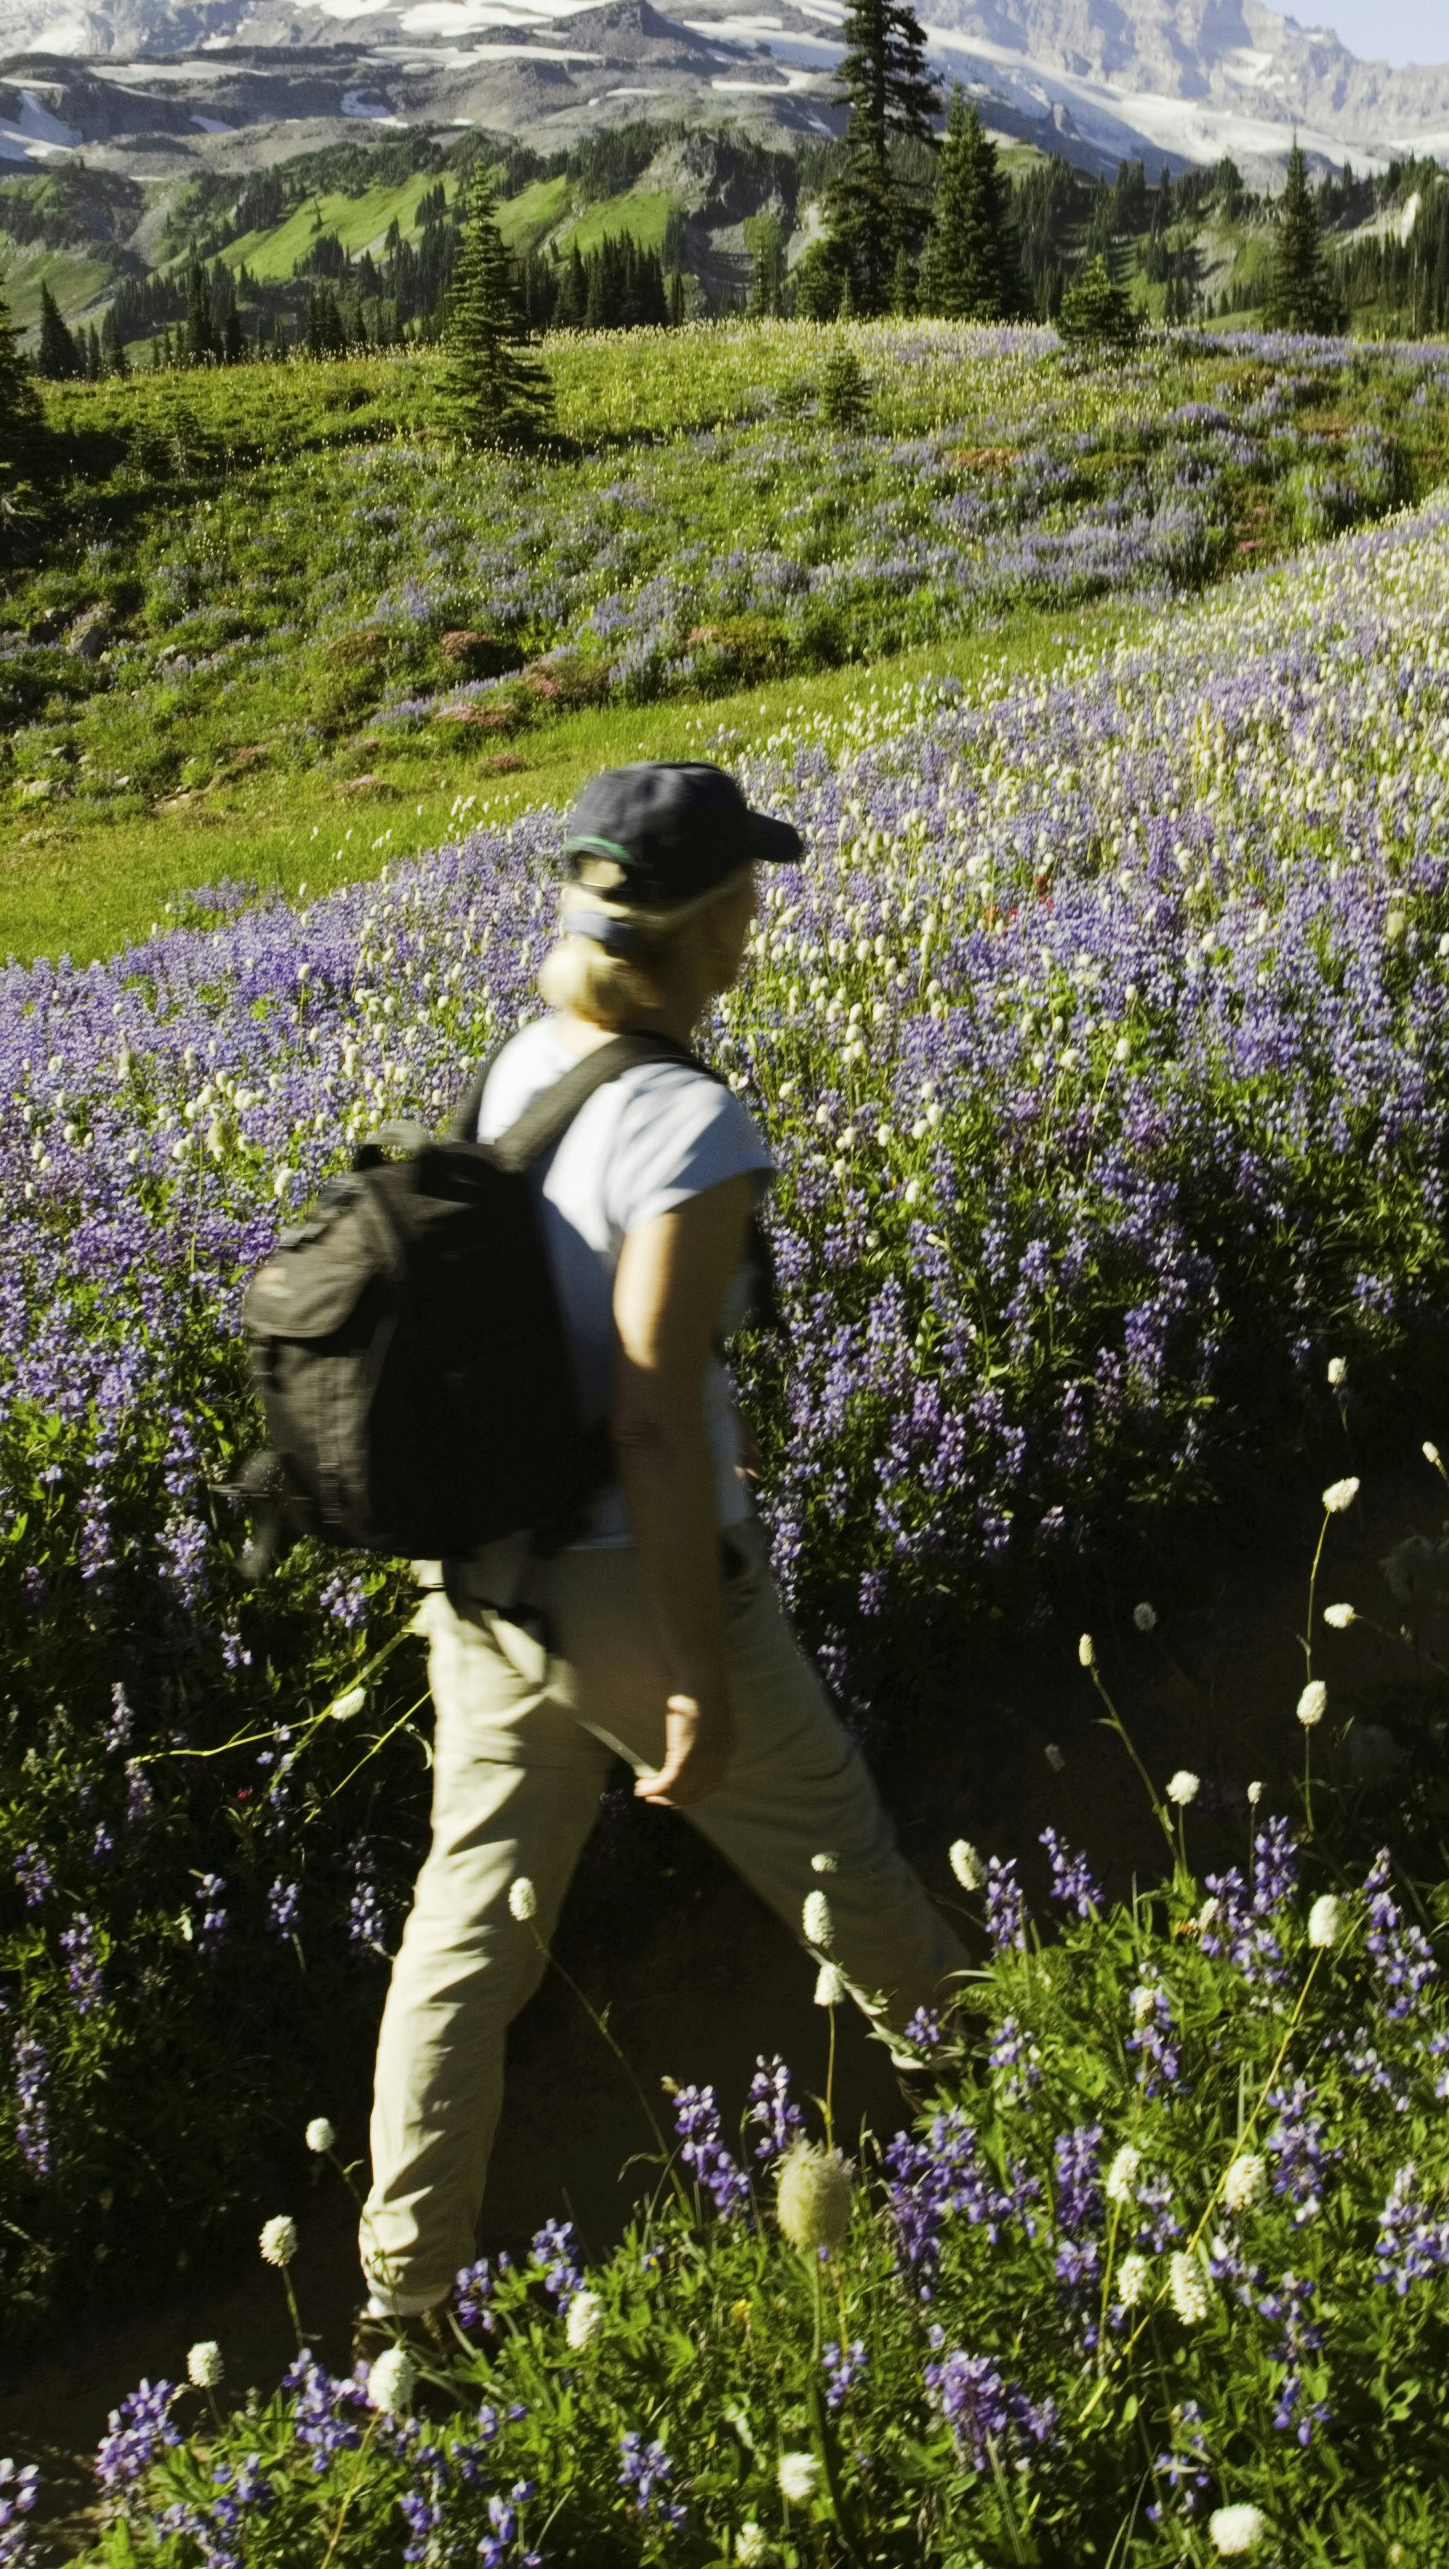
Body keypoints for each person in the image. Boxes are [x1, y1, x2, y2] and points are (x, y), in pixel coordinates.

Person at [354, 760, 960, 2351]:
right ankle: (1016, 2111)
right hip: (631, 1582)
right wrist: (692, 1667)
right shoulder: (694, 1124)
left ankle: (402, 2310)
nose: (761, 913)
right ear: (702, 925)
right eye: (744, 893)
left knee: (468, 1930)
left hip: (488, 1576)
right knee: (838, 1853)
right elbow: (653, 1422)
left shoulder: (528, 1063)